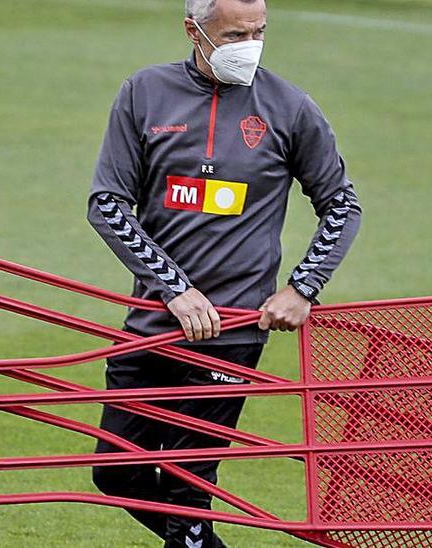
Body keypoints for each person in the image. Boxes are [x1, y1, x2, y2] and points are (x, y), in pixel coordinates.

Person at [86, 0, 361, 545]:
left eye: (259, 32)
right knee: (117, 475)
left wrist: (304, 286)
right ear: (194, 30)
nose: (251, 45)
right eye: (236, 34)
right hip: (151, 323)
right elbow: (107, 205)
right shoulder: (144, 93)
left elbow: (342, 205)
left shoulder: (290, 108)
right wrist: (175, 290)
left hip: (231, 334)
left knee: (190, 487)